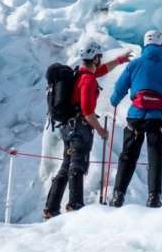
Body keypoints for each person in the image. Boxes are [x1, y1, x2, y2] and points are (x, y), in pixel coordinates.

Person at [44, 41, 131, 219]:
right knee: (77, 165)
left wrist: (120, 60)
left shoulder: (80, 74)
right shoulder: (88, 80)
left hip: (68, 128)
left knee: (66, 166)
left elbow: (103, 70)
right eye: (99, 57)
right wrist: (101, 130)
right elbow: (87, 111)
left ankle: (51, 208)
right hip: (79, 128)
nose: (100, 60)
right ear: (95, 58)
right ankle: (75, 205)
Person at [108, 30, 162, 208]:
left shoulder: (135, 65)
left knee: (128, 155)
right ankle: (154, 196)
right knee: (155, 156)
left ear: (145, 45)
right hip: (158, 117)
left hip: (136, 116)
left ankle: (118, 195)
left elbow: (120, 87)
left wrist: (114, 100)